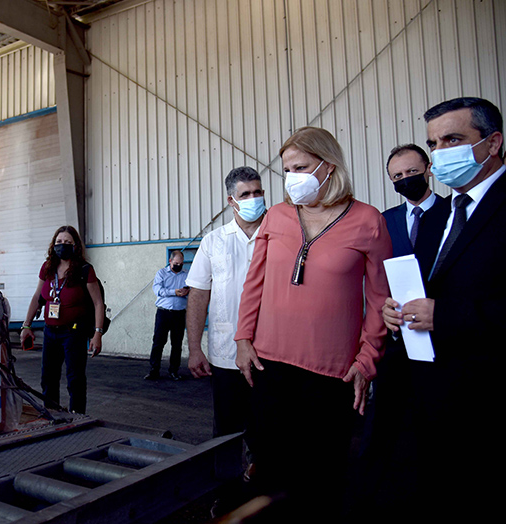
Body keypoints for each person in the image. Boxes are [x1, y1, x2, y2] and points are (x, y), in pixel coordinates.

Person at [234, 127, 392, 518]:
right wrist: (243, 339)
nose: (292, 178)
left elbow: (379, 301)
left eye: (301, 167)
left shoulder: (368, 221)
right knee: (271, 469)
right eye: (287, 170)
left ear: (328, 165)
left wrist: (367, 360)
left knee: (322, 478)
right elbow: (254, 281)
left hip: (331, 374)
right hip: (268, 366)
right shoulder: (277, 216)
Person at [382, 97, 505, 519]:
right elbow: (434, 287)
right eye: (434, 143)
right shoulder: (447, 212)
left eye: (453, 138)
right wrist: (394, 310)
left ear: (493, 143)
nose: (441, 152)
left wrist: (446, 316)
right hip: (434, 397)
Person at [359, 144, 449, 512]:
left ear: (427, 169)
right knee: (386, 424)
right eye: (396, 177)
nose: (404, 180)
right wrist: (383, 307)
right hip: (397, 338)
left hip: (445, 338)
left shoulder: (453, 213)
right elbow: (375, 278)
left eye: (410, 172)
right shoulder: (385, 220)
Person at [186, 167, 265, 442]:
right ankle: (226, 479)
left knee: (268, 428)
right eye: (245, 194)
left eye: (258, 192)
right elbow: (198, 295)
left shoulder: (279, 236)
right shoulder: (213, 241)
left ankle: (262, 478)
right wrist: (194, 348)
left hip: (271, 352)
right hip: (225, 353)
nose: (254, 198)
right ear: (231, 200)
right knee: (227, 430)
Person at [20, 226, 105, 414]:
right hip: (50, 332)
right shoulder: (48, 268)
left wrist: (97, 334)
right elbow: (37, 297)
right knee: (48, 378)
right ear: (53, 245)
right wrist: (26, 325)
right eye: (59, 242)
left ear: (75, 246)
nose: (62, 246)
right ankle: (52, 414)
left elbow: (98, 303)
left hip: (73, 332)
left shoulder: (84, 270)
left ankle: (77, 416)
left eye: (67, 243)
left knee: (74, 378)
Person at [144, 250, 188, 381]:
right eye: (176, 263)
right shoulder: (161, 273)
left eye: (180, 263)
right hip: (164, 312)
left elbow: (192, 289)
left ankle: (174, 371)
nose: (178, 265)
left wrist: (187, 291)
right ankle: (154, 370)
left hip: (179, 313)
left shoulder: (186, 274)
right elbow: (157, 290)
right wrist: (174, 292)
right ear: (170, 261)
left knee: (177, 343)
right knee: (158, 341)